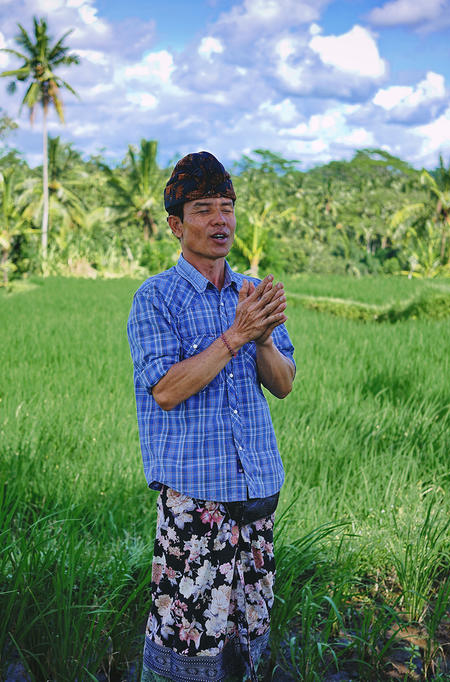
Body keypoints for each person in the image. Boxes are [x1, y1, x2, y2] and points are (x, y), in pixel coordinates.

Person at [127, 151, 297, 681]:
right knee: (188, 640)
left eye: (227, 207)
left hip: (257, 495)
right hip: (197, 503)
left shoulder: (250, 293)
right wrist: (236, 336)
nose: (220, 220)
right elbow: (165, 389)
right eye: (204, 209)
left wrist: (263, 336)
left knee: (249, 636)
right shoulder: (156, 298)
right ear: (176, 225)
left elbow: (284, 383)